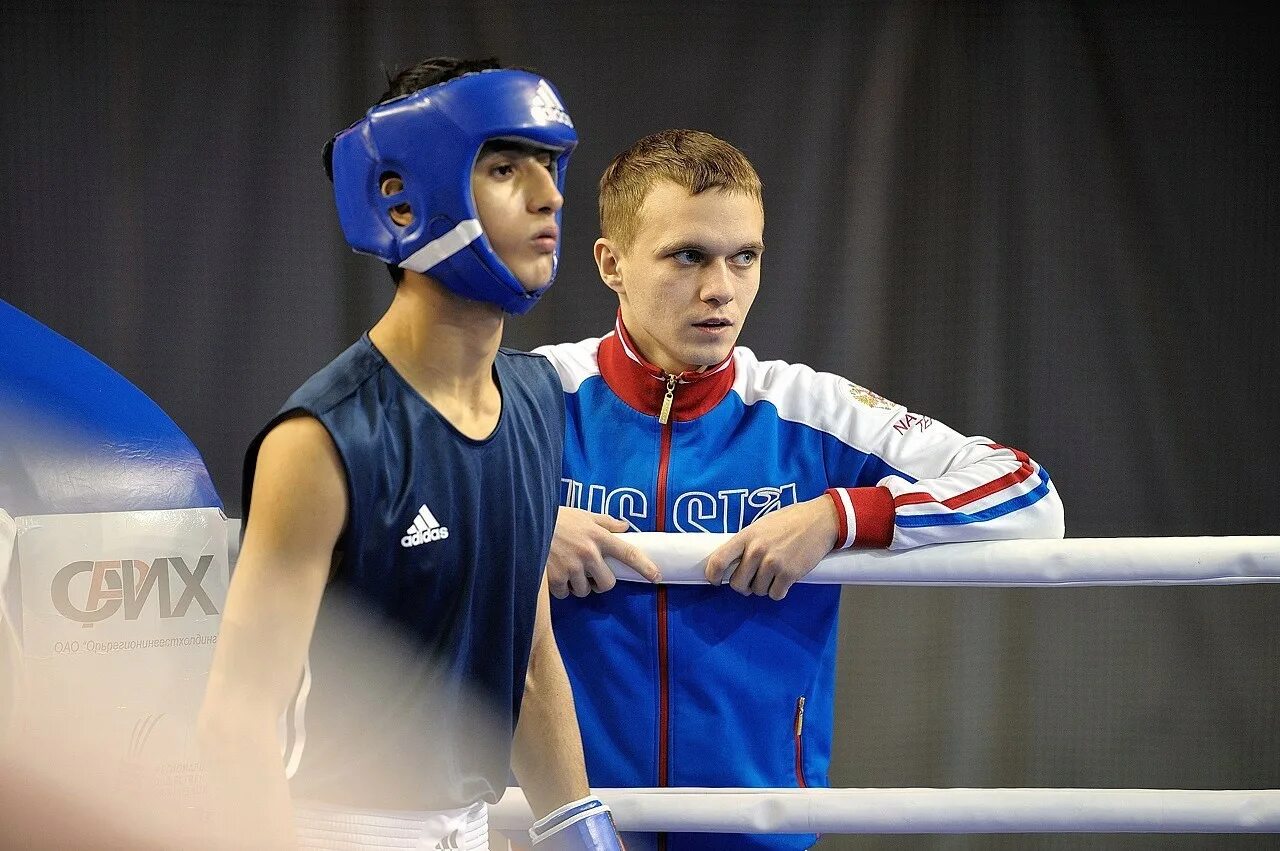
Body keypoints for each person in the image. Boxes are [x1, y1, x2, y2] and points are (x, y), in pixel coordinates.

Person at [534, 129, 1065, 850]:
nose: (720, 288)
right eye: (687, 255)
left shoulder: (809, 410)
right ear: (612, 263)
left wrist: (841, 514)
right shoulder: (533, 396)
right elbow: (383, 507)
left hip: (760, 836)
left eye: (743, 257)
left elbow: (1029, 497)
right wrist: (522, 521)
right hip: (558, 831)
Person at [199, 58, 623, 850]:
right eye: (505, 166)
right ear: (403, 192)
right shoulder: (324, 441)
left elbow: (529, 660)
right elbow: (237, 722)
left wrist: (578, 825)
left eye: (551, 164)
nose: (551, 195)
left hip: (471, 830)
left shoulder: (533, 402)